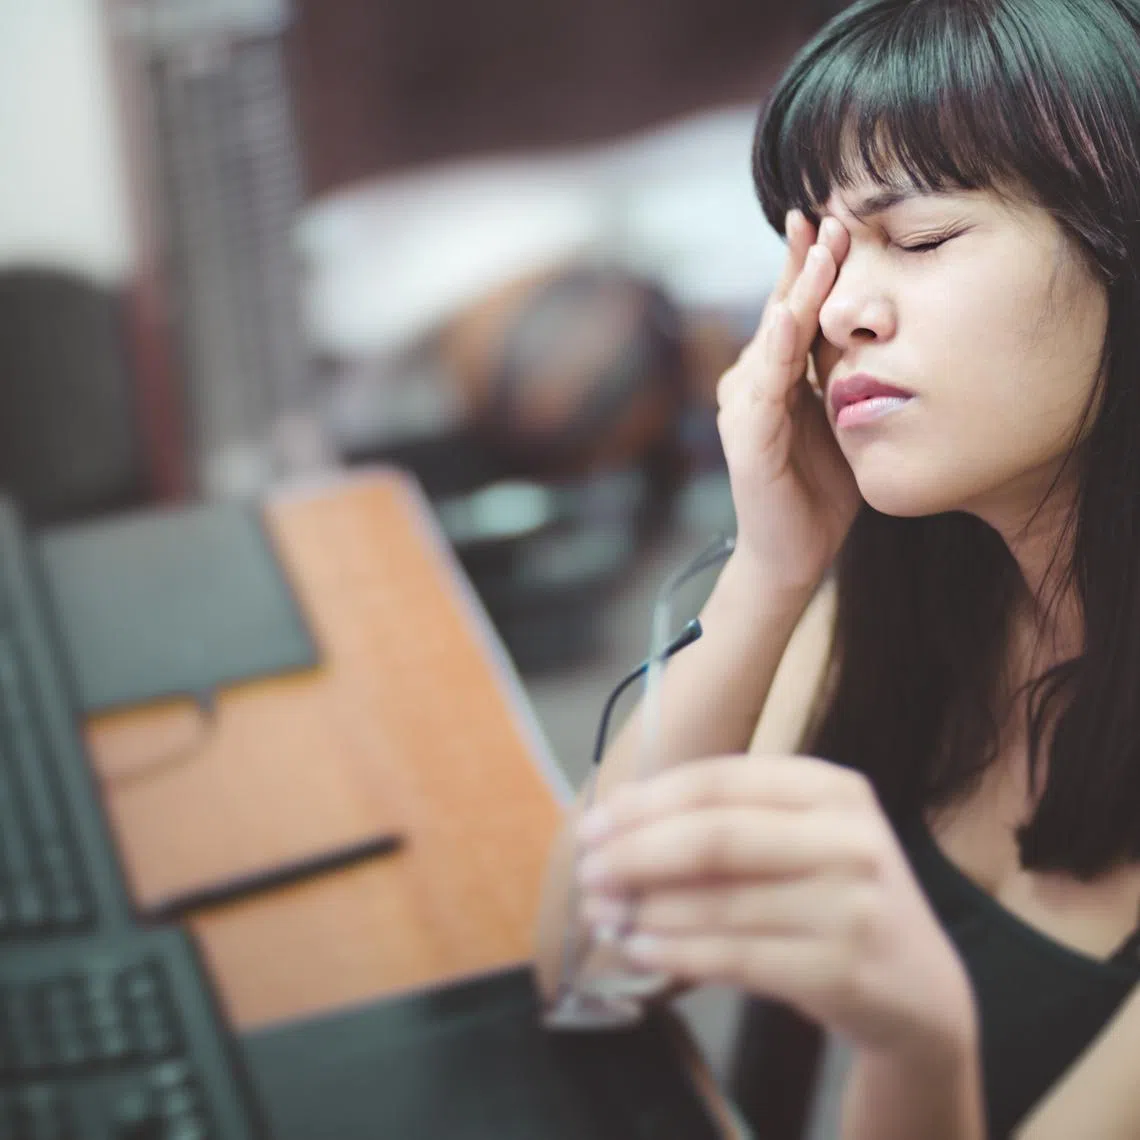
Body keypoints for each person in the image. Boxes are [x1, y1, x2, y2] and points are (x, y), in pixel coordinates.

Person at [532, 0, 1140, 1136]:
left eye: (919, 238)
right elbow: (587, 965)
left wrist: (919, 1045)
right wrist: (768, 570)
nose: (841, 314)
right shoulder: (904, 596)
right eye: (818, 254)